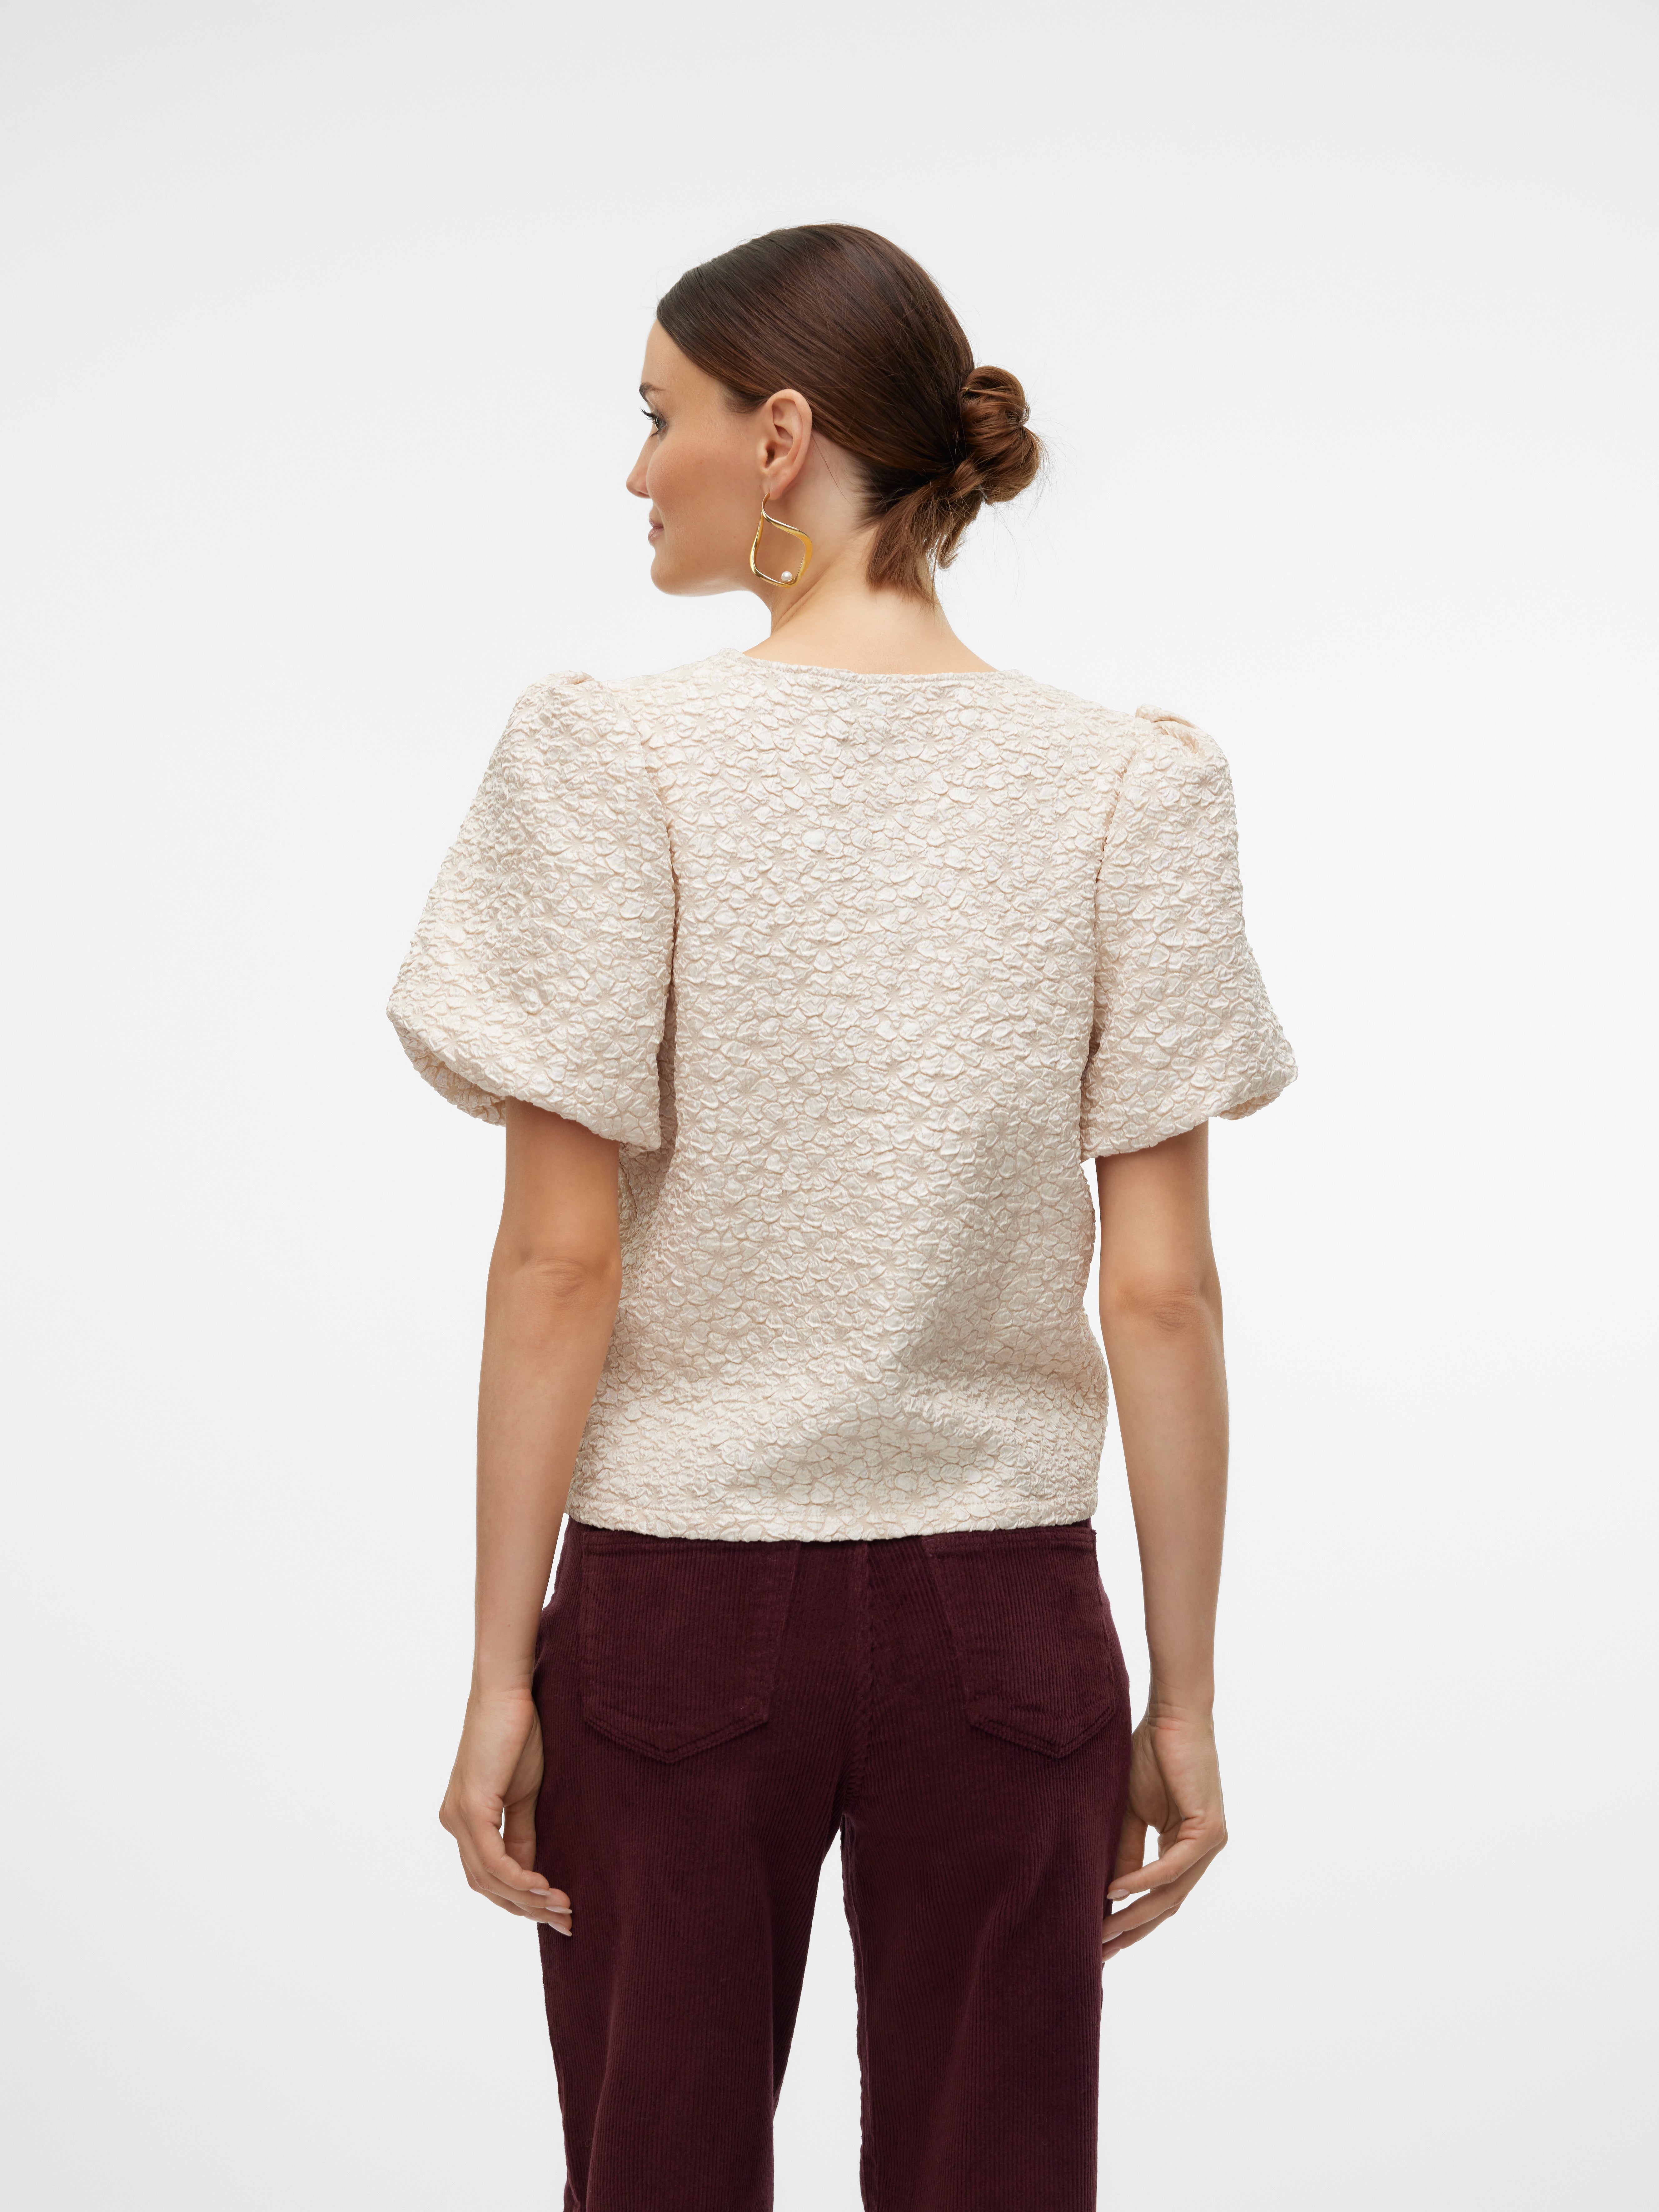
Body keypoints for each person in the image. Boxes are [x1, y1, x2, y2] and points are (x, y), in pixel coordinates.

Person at [386, 222, 1296, 2211]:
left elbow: (558, 1259)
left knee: (656, 2173)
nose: (638, 470)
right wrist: (1187, 1690)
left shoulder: (614, 758)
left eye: (662, 417)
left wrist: (500, 1666)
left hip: (676, 1604)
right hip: (1007, 1614)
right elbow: (1163, 1295)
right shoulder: (1128, 786)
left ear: (783, 438)